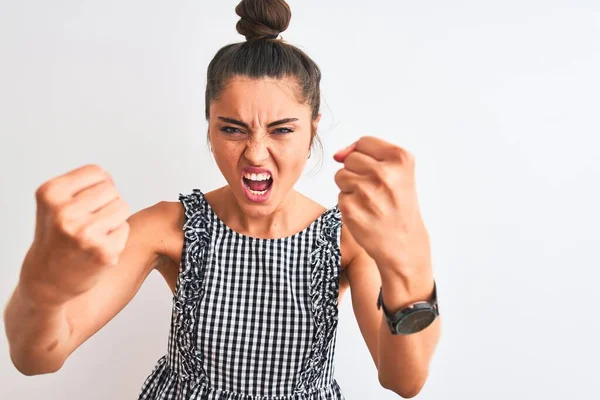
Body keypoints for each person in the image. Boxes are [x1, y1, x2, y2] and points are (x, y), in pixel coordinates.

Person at [3, 0, 441, 399]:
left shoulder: (345, 241)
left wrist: (411, 264)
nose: (254, 152)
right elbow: (38, 358)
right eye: (232, 128)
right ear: (209, 126)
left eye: (282, 130)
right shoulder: (169, 228)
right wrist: (43, 288)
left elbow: (404, 380)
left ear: (313, 130)